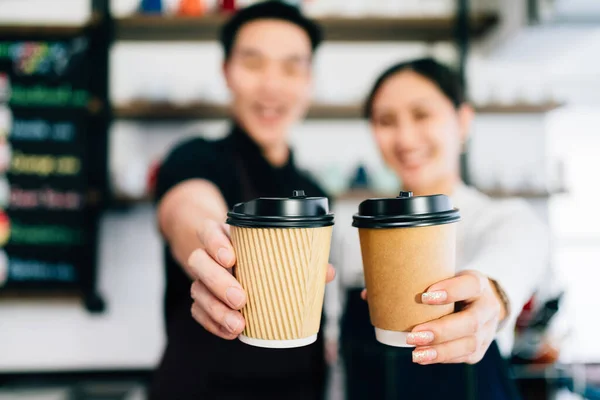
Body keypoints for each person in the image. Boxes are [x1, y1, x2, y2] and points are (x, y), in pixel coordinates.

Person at [327, 58, 550, 399]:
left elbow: (514, 260)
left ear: (462, 121)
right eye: (386, 120)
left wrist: (490, 292)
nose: (404, 137)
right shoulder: (355, 232)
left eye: (422, 115)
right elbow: (339, 359)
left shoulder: (504, 219)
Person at [150, 2, 334, 399]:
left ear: (309, 81)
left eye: (290, 67)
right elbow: (189, 209)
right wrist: (212, 250)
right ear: (227, 72)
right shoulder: (194, 157)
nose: (272, 85)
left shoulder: (314, 191)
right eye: (254, 64)